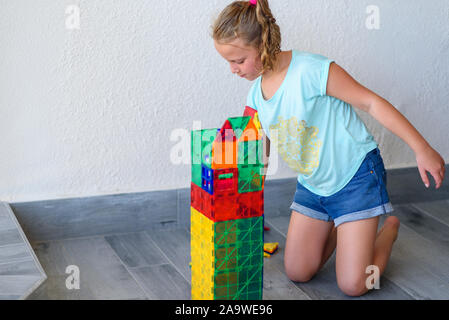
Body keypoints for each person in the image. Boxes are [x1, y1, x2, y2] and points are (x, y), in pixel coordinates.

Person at [211, 0, 446, 297]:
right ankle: (343, 226)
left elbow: (370, 102)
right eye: (228, 62)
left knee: (354, 284)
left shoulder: (312, 69)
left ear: (263, 44)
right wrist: (239, 190)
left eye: (238, 60)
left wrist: (421, 148)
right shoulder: (256, 94)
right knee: (298, 271)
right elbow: (256, 148)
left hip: (355, 177)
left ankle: (388, 231)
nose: (232, 69)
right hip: (314, 186)